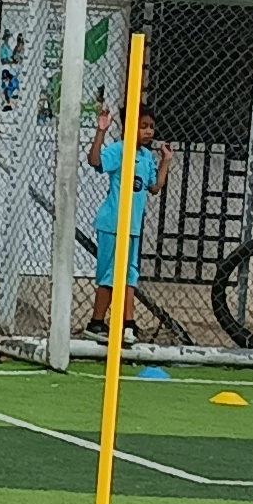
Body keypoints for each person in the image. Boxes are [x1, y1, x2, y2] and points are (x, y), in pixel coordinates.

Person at [82, 104, 170, 340]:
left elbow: (154, 187)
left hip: (132, 227)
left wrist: (166, 161)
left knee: (129, 274)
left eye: (151, 127)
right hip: (113, 224)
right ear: (130, 126)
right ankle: (104, 323)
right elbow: (95, 161)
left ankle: (122, 324)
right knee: (111, 275)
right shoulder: (120, 150)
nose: (148, 131)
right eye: (143, 126)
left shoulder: (146, 156)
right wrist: (101, 131)